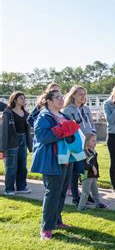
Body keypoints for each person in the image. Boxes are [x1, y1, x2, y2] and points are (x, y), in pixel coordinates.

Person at [31, 90, 77, 240]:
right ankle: (46, 228)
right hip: (52, 159)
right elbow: (42, 137)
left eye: (62, 97)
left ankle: (57, 220)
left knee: (62, 191)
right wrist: (62, 131)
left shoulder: (64, 115)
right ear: (48, 101)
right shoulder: (43, 116)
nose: (61, 100)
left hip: (66, 158)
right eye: (57, 98)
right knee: (52, 193)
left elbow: (71, 134)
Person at [62, 85, 96, 206]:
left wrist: (93, 136)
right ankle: (76, 197)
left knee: (88, 170)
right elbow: (69, 128)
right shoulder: (67, 110)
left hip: (88, 143)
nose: (83, 96)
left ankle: (87, 195)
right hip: (77, 144)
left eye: (84, 94)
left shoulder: (86, 109)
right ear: (73, 95)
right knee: (75, 171)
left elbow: (91, 124)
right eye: (80, 94)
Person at [0, 92, 33, 195]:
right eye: (21, 98)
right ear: (14, 100)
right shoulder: (8, 113)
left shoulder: (26, 113)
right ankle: (9, 189)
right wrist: (2, 147)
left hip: (23, 141)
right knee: (11, 167)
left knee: (22, 166)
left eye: (24, 98)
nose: (24, 100)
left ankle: (21, 187)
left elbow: (28, 130)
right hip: (12, 142)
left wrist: (29, 145)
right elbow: (4, 130)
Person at [77, 133, 107, 211]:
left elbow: (95, 163)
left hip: (93, 175)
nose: (95, 142)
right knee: (85, 192)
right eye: (93, 141)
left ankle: (98, 203)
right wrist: (91, 166)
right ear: (87, 142)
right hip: (86, 175)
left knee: (95, 191)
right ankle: (81, 206)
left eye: (95, 140)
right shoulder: (84, 152)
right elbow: (83, 164)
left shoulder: (93, 151)